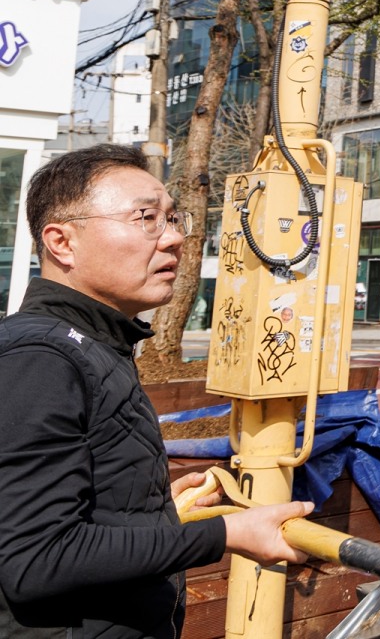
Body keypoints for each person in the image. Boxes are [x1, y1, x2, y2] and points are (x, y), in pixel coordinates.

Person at [0, 145, 313, 638]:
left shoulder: (95, 346)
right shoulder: (40, 358)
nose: (173, 240)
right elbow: (37, 559)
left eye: (173, 219)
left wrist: (153, 507)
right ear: (62, 242)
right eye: (146, 218)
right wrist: (223, 534)